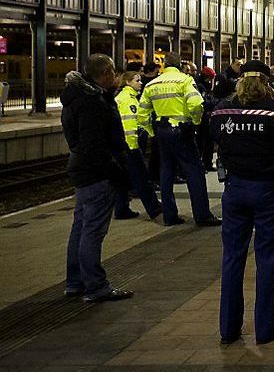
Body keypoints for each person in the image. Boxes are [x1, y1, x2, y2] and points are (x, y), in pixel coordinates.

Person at [211, 60, 274, 346]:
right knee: (266, 260)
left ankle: (228, 329)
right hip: (266, 190)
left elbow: (213, 140)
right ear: (267, 82)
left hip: (234, 190)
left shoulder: (220, 110)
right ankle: (265, 329)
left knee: (232, 258)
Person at [61, 54, 134, 303]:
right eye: (113, 73)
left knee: (80, 228)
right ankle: (96, 286)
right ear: (105, 73)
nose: (115, 77)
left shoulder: (75, 98)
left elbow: (76, 138)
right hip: (97, 174)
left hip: (81, 168)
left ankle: (75, 282)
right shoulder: (94, 102)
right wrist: (115, 170)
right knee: (92, 230)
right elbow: (97, 144)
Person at [137, 51, 220, 227]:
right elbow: (196, 103)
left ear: (164, 65)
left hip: (162, 129)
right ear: (180, 64)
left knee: (166, 172)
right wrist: (195, 121)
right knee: (194, 172)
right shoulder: (185, 80)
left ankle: (169, 215)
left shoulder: (152, 84)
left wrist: (152, 131)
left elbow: (142, 113)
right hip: (182, 130)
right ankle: (202, 214)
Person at [113, 70, 162, 220]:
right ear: (127, 82)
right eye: (137, 80)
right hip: (130, 146)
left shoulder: (122, 97)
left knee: (122, 180)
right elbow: (129, 124)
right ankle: (154, 207)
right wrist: (133, 145)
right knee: (142, 178)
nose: (140, 83)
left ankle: (121, 209)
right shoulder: (128, 100)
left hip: (121, 146)